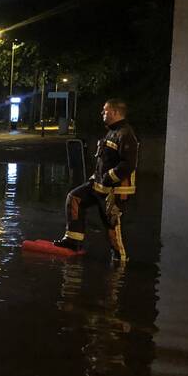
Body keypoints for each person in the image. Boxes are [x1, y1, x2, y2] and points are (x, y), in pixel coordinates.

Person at [54, 98, 138, 261]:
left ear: (114, 112)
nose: (102, 113)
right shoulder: (112, 132)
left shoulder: (125, 134)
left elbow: (128, 165)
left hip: (115, 191)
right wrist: (96, 178)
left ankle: (120, 265)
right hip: (99, 186)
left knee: (112, 227)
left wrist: (107, 178)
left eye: (105, 111)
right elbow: (104, 160)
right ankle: (73, 241)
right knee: (75, 198)